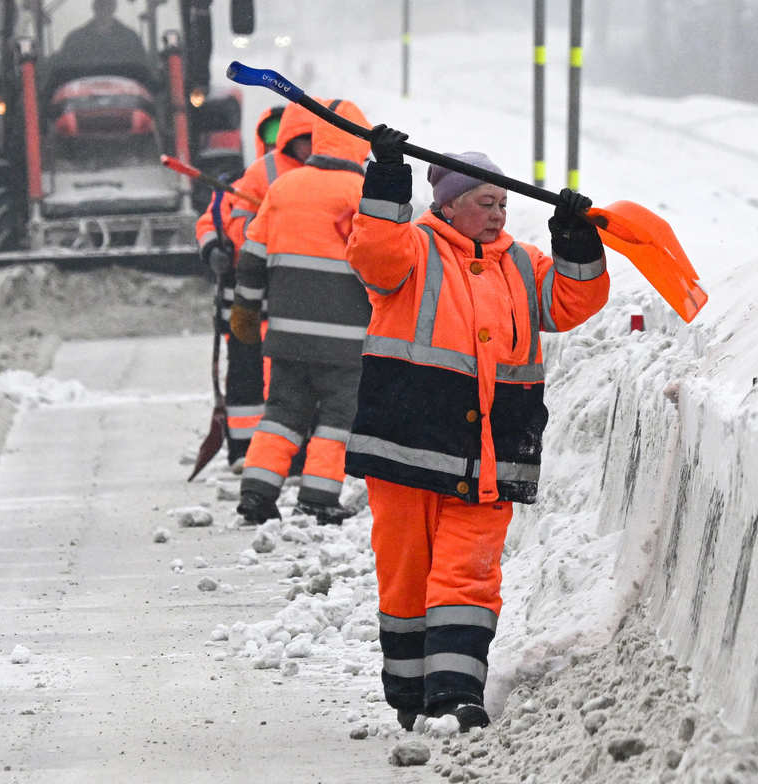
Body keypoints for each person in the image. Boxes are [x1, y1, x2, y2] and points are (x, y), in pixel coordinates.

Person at [345, 124, 611, 733]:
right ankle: (411, 694)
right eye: (485, 203)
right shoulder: (411, 249)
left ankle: (457, 693)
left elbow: (575, 301)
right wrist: (386, 177)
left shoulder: (522, 264)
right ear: (449, 205)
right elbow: (372, 254)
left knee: (469, 574)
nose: (497, 215)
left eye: (503, 204)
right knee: (408, 579)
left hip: (491, 459)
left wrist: (572, 236)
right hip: (410, 451)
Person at [230, 99, 371, 524]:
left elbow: (252, 255)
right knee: (336, 418)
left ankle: (256, 491)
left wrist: (247, 310)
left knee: (281, 414)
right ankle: (318, 497)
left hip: (287, 335)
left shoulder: (283, 189)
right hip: (344, 341)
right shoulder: (359, 193)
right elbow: (378, 262)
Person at [193, 104, 303, 467]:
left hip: (288, 301)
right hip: (244, 301)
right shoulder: (237, 184)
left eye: (283, 135)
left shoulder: (313, 184)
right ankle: (243, 449)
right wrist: (214, 249)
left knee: (290, 378)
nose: (277, 144)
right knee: (245, 375)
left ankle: (290, 450)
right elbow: (211, 221)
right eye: (270, 136)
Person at [57, 0, 145, 71]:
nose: (104, 8)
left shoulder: (130, 39)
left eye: (108, 3)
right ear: (94, 6)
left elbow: (142, 74)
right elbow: (64, 74)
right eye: (101, 3)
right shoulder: (75, 40)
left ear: (114, 6)